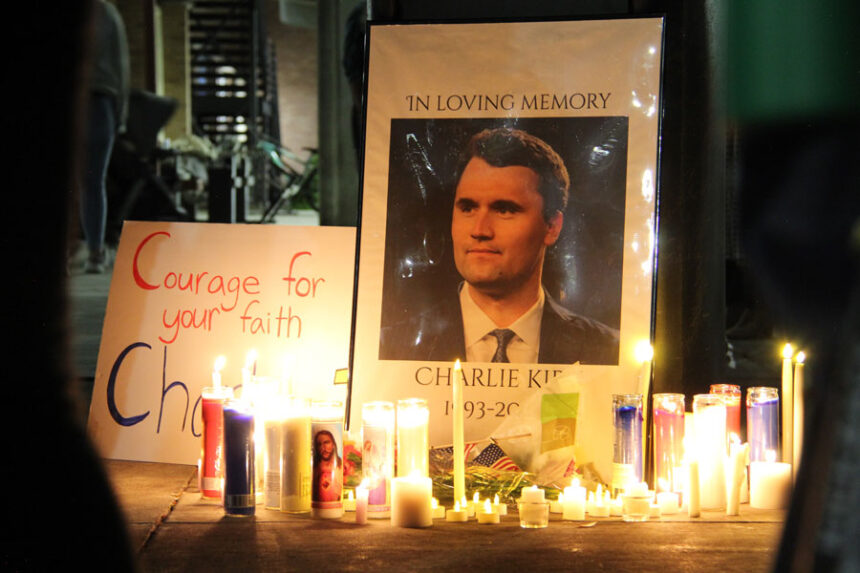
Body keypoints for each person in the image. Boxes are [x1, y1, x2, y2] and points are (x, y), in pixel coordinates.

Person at [383, 127, 619, 365]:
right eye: (468, 208)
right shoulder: (390, 347)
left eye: (504, 210)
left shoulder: (607, 351)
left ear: (552, 227)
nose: (479, 230)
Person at [80, 0, 129, 273]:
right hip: (100, 99)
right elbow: (121, 65)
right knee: (93, 181)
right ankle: (95, 253)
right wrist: (121, 113)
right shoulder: (107, 13)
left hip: (83, 97)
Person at [312, 430, 343, 502]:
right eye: (319, 444)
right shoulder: (314, 469)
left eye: (326, 442)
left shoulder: (341, 466)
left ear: (333, 445)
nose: (323, 448)